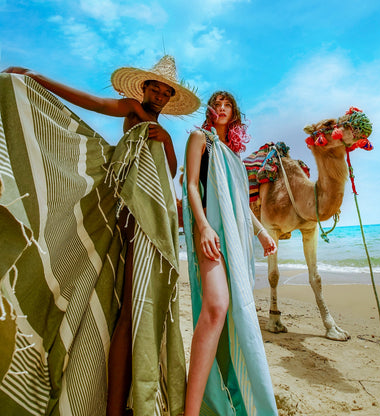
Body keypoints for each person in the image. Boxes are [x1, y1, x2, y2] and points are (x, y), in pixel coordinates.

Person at [1, 56, 199, 416]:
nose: (160, 92)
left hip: (159, 217)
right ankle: (115, 407)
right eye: (155, 85)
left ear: (170, 98)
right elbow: (90, 103)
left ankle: (121, 399)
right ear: (144, 87)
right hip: (134, 214)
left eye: (166, 90)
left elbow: (168, 173)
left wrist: (167, 140)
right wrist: (36, 75)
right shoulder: (132, 109)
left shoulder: (159, 128)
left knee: (133, 308)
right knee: (130, 309)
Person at [182, 91, 279, 415]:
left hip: (234, 242)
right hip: (209, 235)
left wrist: (262, 232)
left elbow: (240, 205)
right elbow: (192, 185)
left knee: (226, 314)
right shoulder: (201, 140)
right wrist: (204, 227)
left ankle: (218, 396)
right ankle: (191, 411)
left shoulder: (236, 157)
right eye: (217, 104)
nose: (222, 109)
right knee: (217, 307)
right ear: (211, 111)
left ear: (234, 114)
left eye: (228, 106)